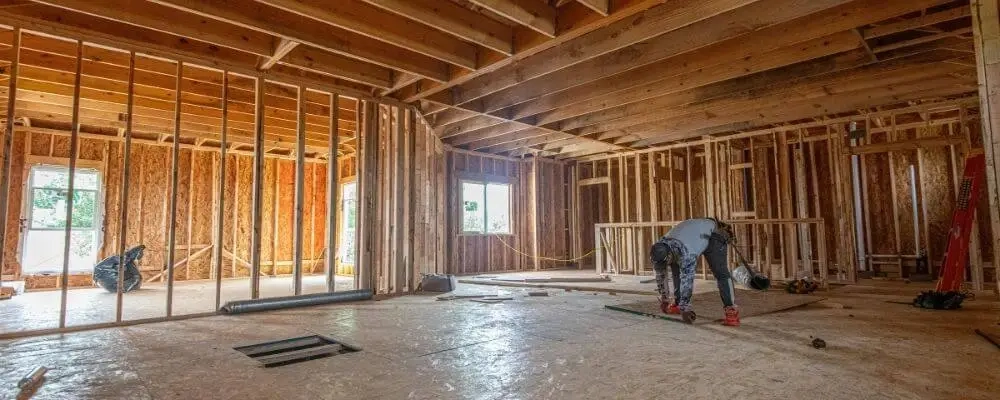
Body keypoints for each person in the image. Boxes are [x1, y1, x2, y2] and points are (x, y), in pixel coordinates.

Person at [649, 218, 739, 326]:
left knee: (720, 272)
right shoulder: (659, 249)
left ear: (668, 256)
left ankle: (731, 311)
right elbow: (660, 275)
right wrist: (664, 299)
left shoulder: (687, 253)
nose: (661, 266)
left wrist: (685, 308)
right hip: (692, 234)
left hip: (713, 235)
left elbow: (687, 280)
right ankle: (677, 304)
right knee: (676, 268)